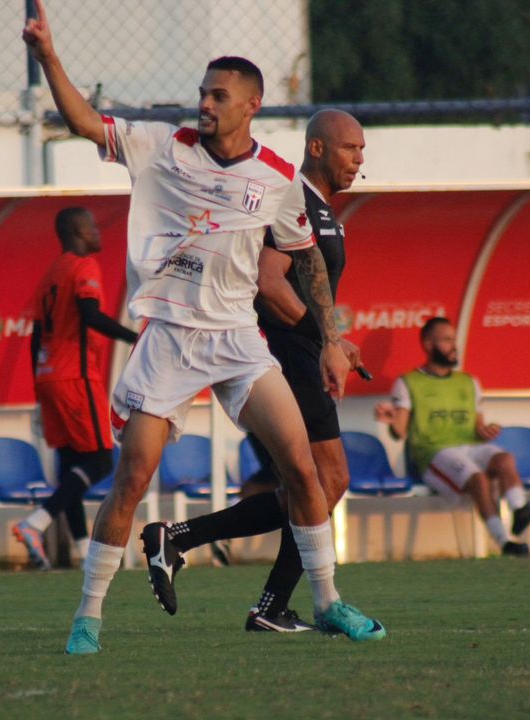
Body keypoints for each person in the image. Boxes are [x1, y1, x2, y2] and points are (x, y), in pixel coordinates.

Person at [23, 0, 383, 654]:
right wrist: (48, 56)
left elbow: (305, 261)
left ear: (251, 105)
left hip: (237, 342)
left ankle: (326, 603)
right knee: (132, 478)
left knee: (304, 470)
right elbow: (81, 120)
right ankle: (88, 617)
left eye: (218, 94)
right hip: (169, 341)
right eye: (202, 93)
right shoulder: (163, 146)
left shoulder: (274, 178)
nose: (205, 103)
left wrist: (330, 338)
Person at [140, 109, 368, 633]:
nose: (358, 159)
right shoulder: (293, 199)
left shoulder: (326, 212)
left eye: (361, 150)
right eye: (349, 148)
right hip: (285, 356)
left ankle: (182, 543)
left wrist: (332, 342)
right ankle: (272, 604)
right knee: (326, 480)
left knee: (306, 489)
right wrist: (324, 341)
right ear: (316, 148)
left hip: (302, 354)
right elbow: (269, 282)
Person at [12, 207, 138, 570]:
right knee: (99, 460)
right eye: (92, 227)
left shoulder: (50, 274)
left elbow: (36, 336)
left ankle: (84, 552)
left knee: (71, 465)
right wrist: (136, 338)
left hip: (49, 376)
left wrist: (39, 389)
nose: (97, 232)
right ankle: (36, 523)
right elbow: (90, 315)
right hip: (75, 376)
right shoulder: (83, 267)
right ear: (77, 232)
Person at [374, 317, 530, 555]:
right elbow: (399, 432)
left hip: (470, 447)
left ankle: (520, 509)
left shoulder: (469, 382)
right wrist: (390, 420)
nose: (454, 346)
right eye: (447, 340)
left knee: (504, 459)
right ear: (429, 345)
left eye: (454, 340)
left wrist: (485, 430)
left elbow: (477, 427)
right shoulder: (408, 382)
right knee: (478, 479)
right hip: (433, 452)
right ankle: (504, 541)